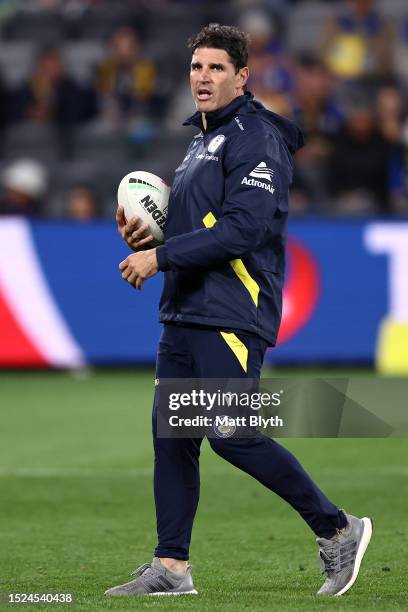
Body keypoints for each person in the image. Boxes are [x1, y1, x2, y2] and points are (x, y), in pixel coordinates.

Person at [105, 23, 372, 598]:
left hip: (231, 305)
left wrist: (161, 257)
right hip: (186, 309)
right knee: (172, 437)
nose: (203, 77)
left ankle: (338, 527)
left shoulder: (256, 137)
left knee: (233, 434)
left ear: (242, 76)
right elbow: (197, 222)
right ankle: (171, 567)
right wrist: (148, 240)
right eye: (197, 67)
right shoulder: (200, 139)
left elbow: (245, 227)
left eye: (216, 68)